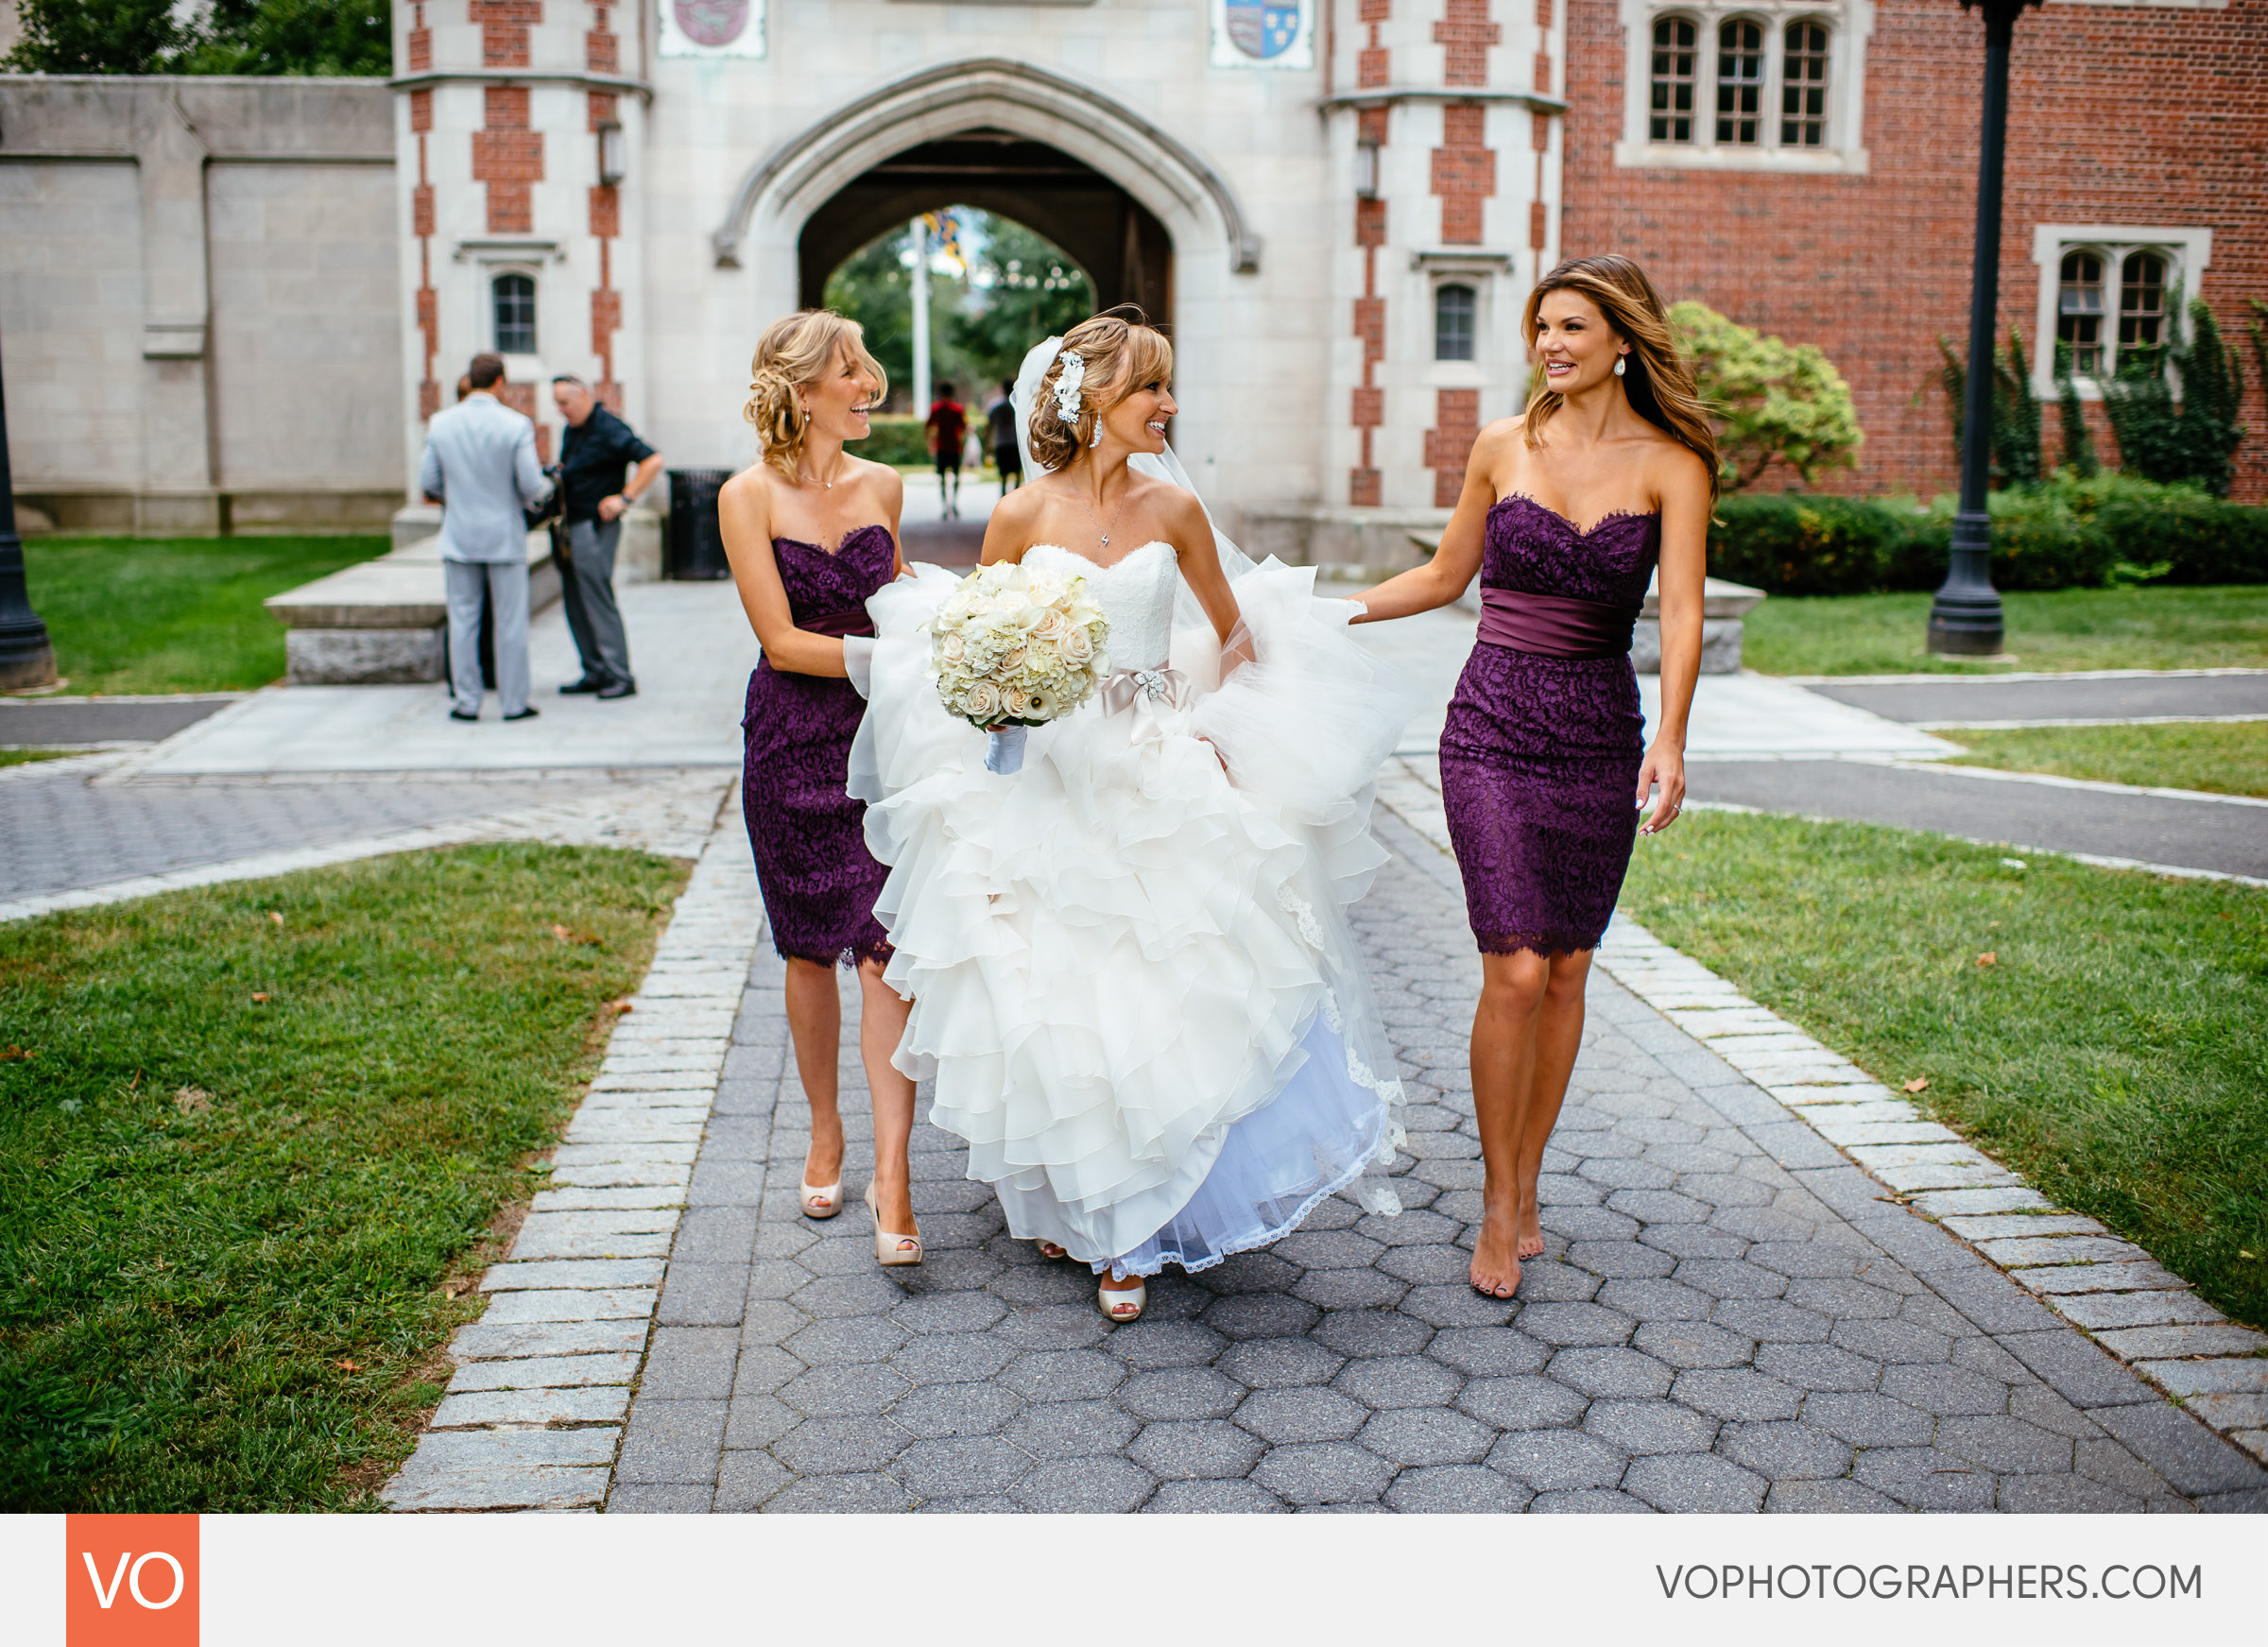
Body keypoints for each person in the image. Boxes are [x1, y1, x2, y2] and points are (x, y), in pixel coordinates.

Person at [851, 313, 1416, 1320]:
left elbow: (1237, 636)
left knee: (1172, 989)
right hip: (1051, 780)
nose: (1170, 405)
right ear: (1093, 403)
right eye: (1152, 388)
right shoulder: (1020, 515)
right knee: (1065, 997)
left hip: (1158, 769)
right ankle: (1096, 1207)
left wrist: (1205, 724)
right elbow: (980, 640)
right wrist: (1008, 700)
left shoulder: (1175, 514)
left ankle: (1137, 1232)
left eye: (1169, 386)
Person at [1349, 254, 1711, 1299]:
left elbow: (1681, 612)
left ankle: (1532, 1176)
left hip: (1600, 727)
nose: (1550, 345)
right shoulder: (1504, 444)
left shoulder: (1673, 462)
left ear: (1624, 342)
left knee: (1567, 971)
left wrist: (1672, 738)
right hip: (1492, 724)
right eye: (1542, 327)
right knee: (1512, 966)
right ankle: (1499, 1203)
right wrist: (1320, 611)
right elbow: (1443, 575)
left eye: (1573, 329)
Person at [717, 310, 923, 1269]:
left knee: (886, 953)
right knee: (810, 954)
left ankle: (893, 1173)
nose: (869, 384)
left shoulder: (884, 483)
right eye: (851, 371)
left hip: (886, 743)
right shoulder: (745, 497)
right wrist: (907, 660)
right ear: (804, 392)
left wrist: (970, 630)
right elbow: (784, 643)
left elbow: (904, 596)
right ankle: (825, 1129)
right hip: (795, 744)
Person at [418, 352, 550, 723]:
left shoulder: (441, 423)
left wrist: (456, 497)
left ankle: (467, 702)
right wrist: (545, 488)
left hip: (458, 534)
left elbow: (428, 482)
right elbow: (530, 485)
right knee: (510, 622)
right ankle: (513, 703)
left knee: (463, 621)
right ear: (499, 382)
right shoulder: (515, 424)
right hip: (504, 536)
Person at [552, 376, 662, 700]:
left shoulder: (609, 427)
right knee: (574, 599)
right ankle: (595, 671)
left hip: (595, 528)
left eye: (564, 403)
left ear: (582, 395)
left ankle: (619, 675)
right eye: (557, 403)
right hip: (571, 526)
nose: (560, 410)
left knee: (597, 597)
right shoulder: (573, 429)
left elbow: (652, 460)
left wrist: (625, 499)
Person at [923, 381, 965, 519]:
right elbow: (963, 429)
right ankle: (953, 503)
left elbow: (928, 426)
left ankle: (944, 507)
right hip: (954, 447)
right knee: (956, 477)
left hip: (941, 446)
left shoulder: (936, 408)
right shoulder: (958, 409)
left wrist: (930, 443)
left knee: (941, 479)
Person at [987, 379, 1022, 491]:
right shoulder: (1019, 405)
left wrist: (988, 443)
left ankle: (1004, 497)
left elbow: (990, 427)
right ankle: (1015, 497)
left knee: (1003, 475)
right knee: (1016, 474)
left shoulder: (996, 406)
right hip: (1015, 443)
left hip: (1002, 443)